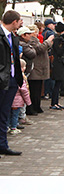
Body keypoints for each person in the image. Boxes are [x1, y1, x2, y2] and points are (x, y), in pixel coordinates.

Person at [0, 8, 23, 156]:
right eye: (19, 22)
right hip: (3, 79)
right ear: (14, 22)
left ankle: (3, 145)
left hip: (12, 80)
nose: (20, 24)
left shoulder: (13, 36)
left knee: (4, 114)